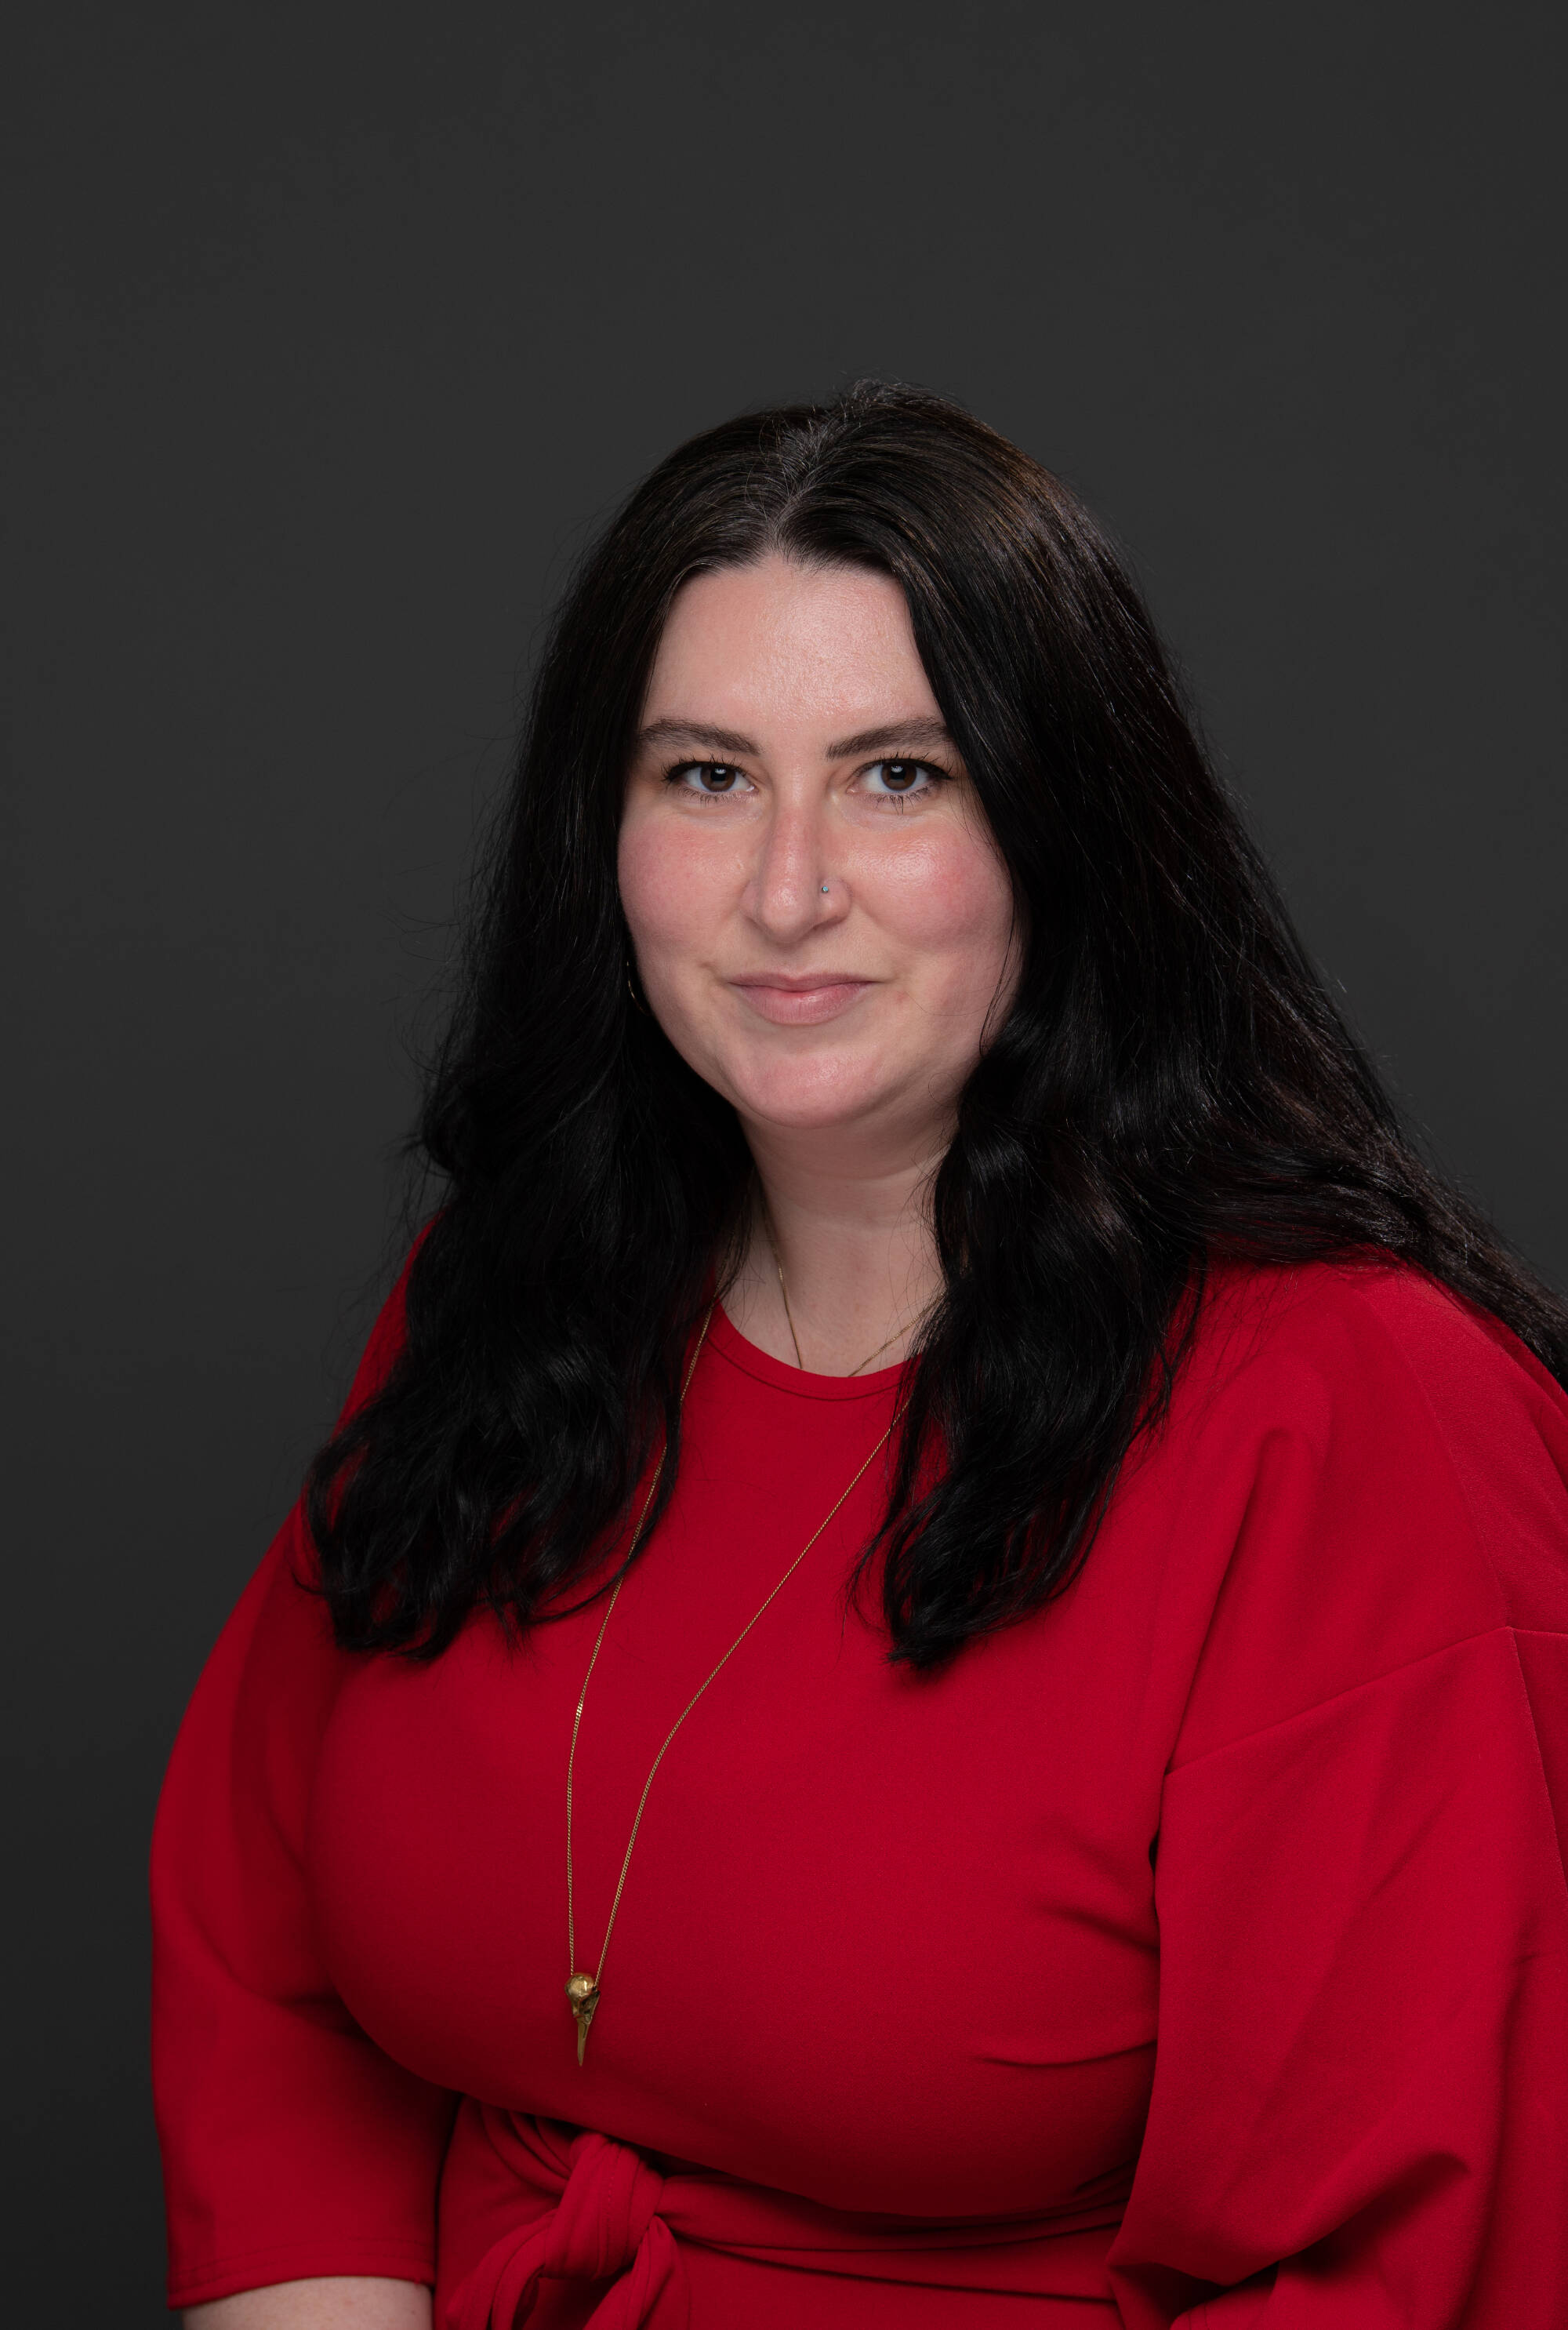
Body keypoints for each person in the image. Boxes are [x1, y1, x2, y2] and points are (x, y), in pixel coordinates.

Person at [151, 382, 1568, 2328]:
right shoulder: (520, 1289)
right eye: (705, 775)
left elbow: (1406, 2264)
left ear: (1063, 831)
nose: (789, 888)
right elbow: (265, 1969)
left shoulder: (1350, 1406)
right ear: (606, 836)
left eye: (900, 776)